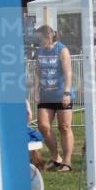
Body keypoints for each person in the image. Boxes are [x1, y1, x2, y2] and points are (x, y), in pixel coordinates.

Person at [34, 25, 75, 172]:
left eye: (40, 38)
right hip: (45, 95)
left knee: (64, 127)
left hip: (61, 94)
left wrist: (67, 93)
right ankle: (56, 157)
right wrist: (36, 90)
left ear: (49, 36)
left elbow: (68, 73)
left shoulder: (62, 49)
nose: (38, 41)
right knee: (43, 126)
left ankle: (67, 161)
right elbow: (38, 72)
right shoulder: (39, 51)